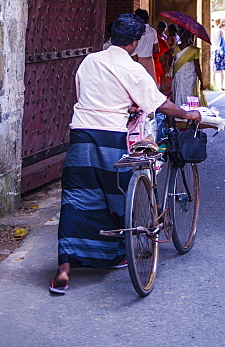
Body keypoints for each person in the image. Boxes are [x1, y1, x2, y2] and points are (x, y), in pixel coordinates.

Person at [49, 15, 200, 295]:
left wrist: (121, 105)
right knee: (115, 196)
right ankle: (119, 251)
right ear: (134, 42)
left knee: (76, 198)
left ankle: (64, 269)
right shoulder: (131, 69)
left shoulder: (89, 60)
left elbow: (88, 95)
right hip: (110, 137)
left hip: (81, 133)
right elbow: (158, 103)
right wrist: (188, 113)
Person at [164, 27, 208, 107]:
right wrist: (171, 55)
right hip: (179, 74)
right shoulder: (175, 48)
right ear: (181, 36)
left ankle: (185, 111)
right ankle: (181, 111)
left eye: (188, 36)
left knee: (186, 93)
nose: (186, 38)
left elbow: (197, 65)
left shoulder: (194, 50)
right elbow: (171, 63)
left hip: (189, 75)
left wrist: (201, 80)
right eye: (185, 36)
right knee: (180, 92)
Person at [132, 8, 158, 81]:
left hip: (137, 59)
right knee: (149, 83)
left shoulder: (135, 31)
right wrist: (147, 48)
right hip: (149, 60)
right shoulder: (153, 31)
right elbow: (156, 49)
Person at [211, 16, 225, 90]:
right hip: (220, 51)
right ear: (219, 22)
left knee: (213, 69)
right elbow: (224, 42)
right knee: (222, 69)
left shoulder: (211, 30)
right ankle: (222, 85)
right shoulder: (221, 31)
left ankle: (214, 85)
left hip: (213, 50)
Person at [153, 20, 170, 85]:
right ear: (157, 27)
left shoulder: (164, 38)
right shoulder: (154, 35)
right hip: (155, 58)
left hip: (162, 58)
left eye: (163, 29)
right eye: (160, 28)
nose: (161, 30)